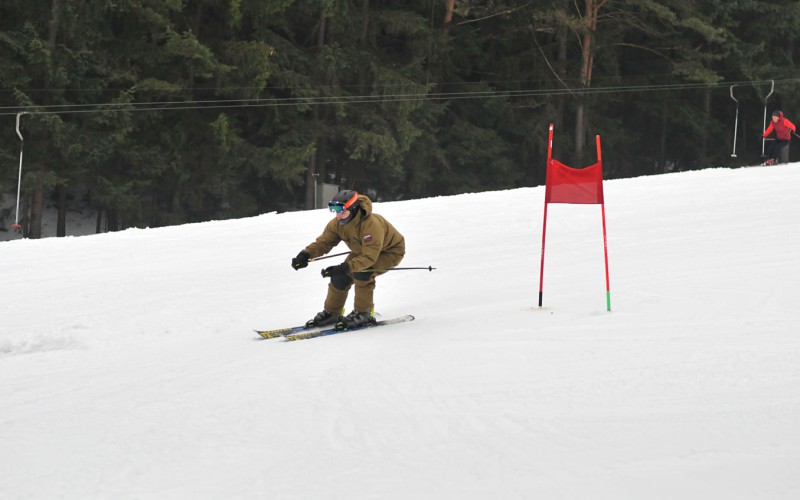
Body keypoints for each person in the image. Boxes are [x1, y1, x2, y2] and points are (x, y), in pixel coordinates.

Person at [291, 190, 405, 329]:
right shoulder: (337, 223)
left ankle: (364, 313)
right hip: (362, 251)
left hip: (390, 252)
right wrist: (305, 255)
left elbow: (369, 258)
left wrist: (344, 267)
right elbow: (324, 242)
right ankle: (332, 313)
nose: (338, 216)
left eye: (342, 211)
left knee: (363, 272)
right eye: (335, 211)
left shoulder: (371, 225)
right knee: (340, 277)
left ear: (354, 209)